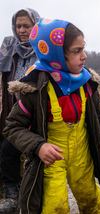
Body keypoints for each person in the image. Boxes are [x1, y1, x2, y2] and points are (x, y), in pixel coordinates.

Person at [2, 18, 100, 213]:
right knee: (55, 207)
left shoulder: (87, 82)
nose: (84, 56)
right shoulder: (35, 88)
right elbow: (12, 127)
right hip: (52, 159)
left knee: (91, 199)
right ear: (55, 55)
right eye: (77, 51)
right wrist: (38, 146)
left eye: (83, 48)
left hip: (82, 153)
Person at [0, 8, 40, 214]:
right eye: (18, 26)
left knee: (31, 154)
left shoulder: (44, 49)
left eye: (27, 26)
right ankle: (12, 196)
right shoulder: (9, 50)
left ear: (36, 26)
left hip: (37, 115)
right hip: (14, 116)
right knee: (7, 150)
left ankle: (29, 197)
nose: (22, 30)